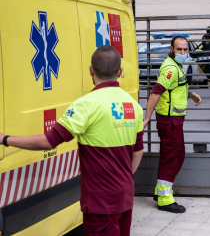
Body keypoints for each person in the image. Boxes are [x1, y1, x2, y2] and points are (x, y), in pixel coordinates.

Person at [0, 45, 144, 236]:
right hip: (124, 196)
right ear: (120, 71)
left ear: (91, 70)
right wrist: (123, 179)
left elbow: (49, 141)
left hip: (100, 202)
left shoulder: (86, 105)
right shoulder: (133, 105)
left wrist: (5, 139)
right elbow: (138, 150)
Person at [143, 36, 201, 214]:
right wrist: (146, 119)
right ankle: (165, 199)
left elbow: (174, 88)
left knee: (176, 155)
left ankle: (159, 192)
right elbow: (155, 93)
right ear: (172, 49)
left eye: (185, 50)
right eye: (179, 49)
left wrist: (190, 94)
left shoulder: (175, 65)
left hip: (173, 121)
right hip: (169, 121)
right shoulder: (170, 68)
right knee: (172, 158)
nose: (183, 53)